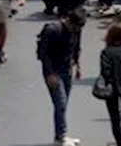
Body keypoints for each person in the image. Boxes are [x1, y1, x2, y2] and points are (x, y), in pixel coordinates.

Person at [38, 8, 85, 146]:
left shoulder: (77, 29)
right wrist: (50, 74)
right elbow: (44, 54)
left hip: (67, 68)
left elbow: (76, 47)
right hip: (54, 70)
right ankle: (61, 137)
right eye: (75, 26)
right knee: (60, 103)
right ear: (69, 21)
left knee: (63, 104)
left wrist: (78, 65)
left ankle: (60, 134)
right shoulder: (53, 30)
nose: (76, 29)